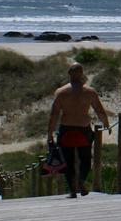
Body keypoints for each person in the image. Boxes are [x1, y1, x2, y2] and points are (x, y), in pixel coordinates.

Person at [47, 62, 110, 198]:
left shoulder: (61, 92)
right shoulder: (90, 92)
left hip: (66, 129)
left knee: (68, 162)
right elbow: (99, 111)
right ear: (82, 74)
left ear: (69, 74)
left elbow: (54, 114)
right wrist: (106, 124)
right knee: (85, 159)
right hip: (83, 129)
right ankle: (81, 180)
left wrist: (49, 134)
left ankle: (72, 191)